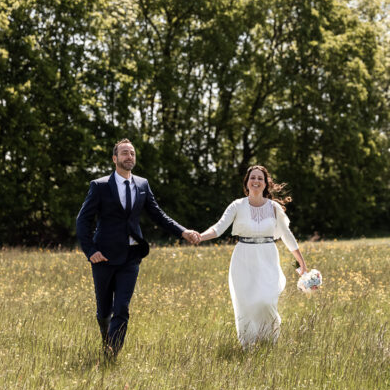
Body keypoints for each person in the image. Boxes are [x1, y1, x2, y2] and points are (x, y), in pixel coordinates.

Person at [76, 139, 200, 357]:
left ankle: (111, 354)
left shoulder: (142, 185)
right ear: (115, 159)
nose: (129, 157)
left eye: (132, 153)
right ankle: (107, 339)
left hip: (131, 257)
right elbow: (82, 220)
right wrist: (90, 251)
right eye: (124, 153)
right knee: (104, 310)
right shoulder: (100, 185)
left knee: (122, 307)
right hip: (103, 257)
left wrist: (183, 231)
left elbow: (158, 215)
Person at [199, 165, 307, 349]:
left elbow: (287, 235)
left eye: (260, 178)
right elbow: (218, 228)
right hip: (243, 258)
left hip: (267, 258)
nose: (256, 181)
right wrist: (200, 236)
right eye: (252, 178)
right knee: (247, 303)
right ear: (247, 182)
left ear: (265, 184)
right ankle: (249, 345)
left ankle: (269, 341)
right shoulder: (237, 205)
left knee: (266, 300)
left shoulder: (274, 208)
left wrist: (302, 262)